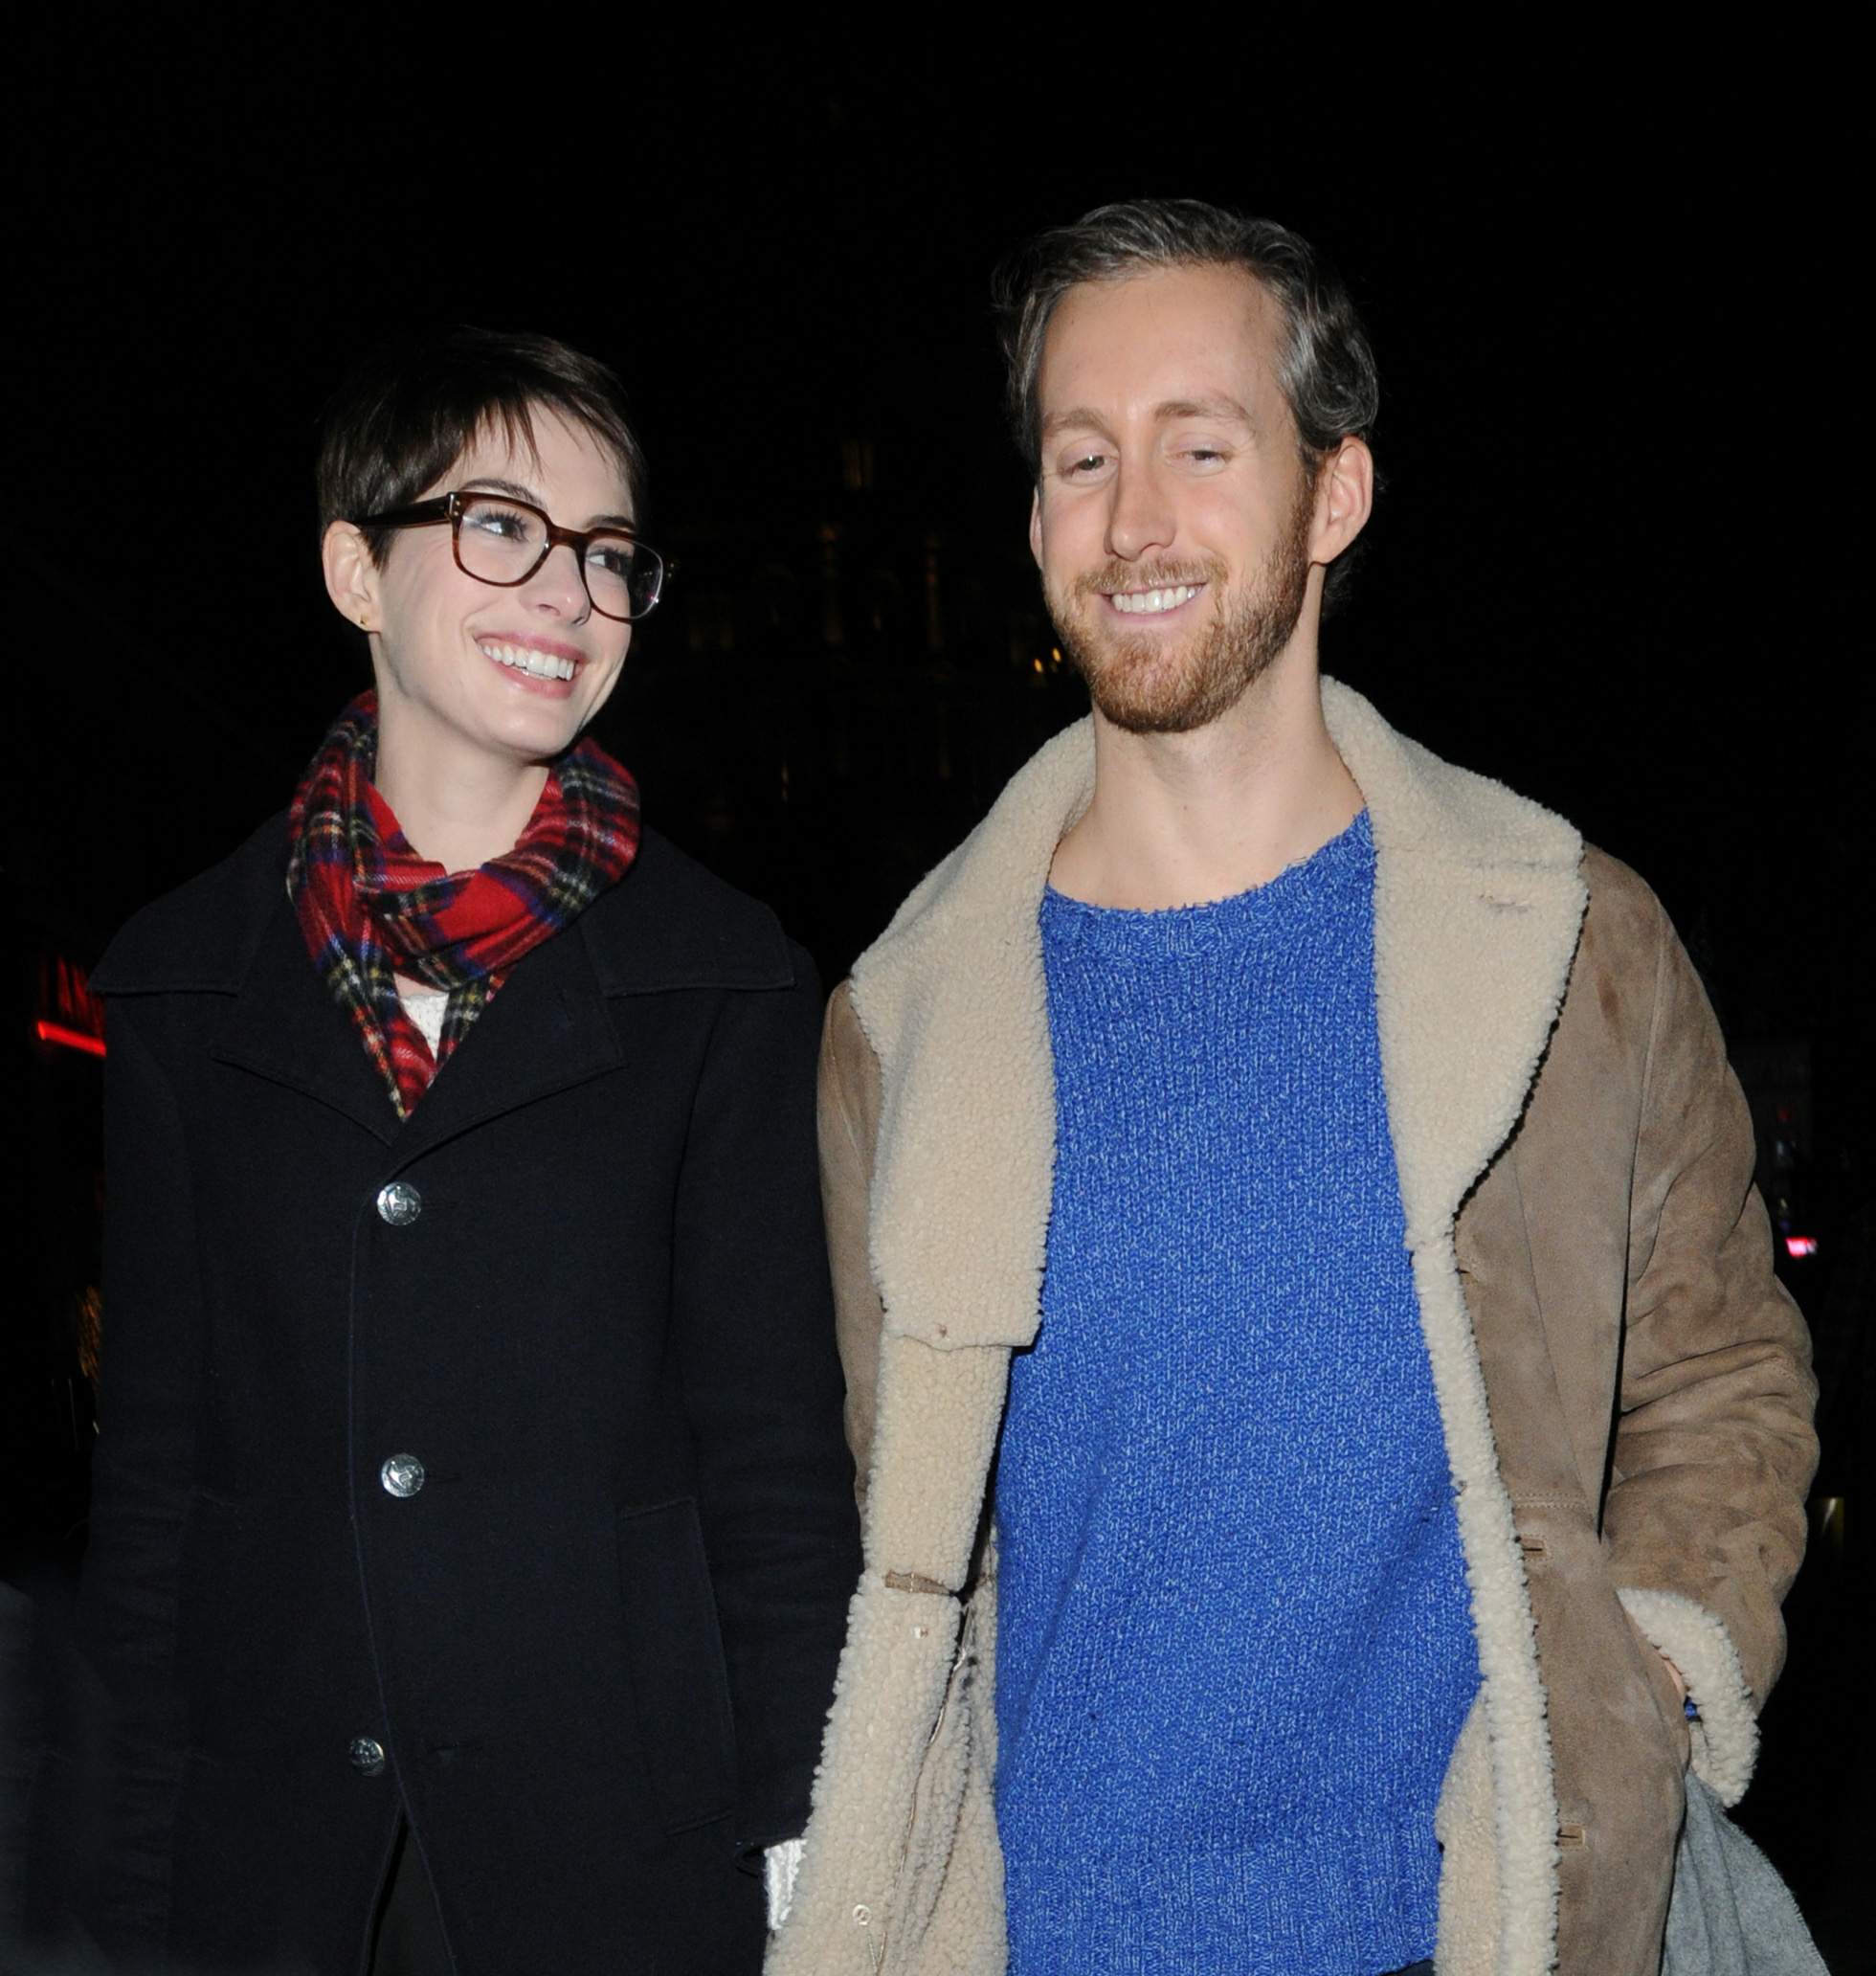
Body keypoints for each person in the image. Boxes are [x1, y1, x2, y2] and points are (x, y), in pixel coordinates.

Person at [769, 203, 1819, 1976]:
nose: (1134, 520)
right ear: (1035, 517)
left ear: (1335, 492)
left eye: (1201, 446)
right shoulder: (905, 1023)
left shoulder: (1572, 948)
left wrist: (1645, 1682)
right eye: (1083, 458)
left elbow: (1721, 1377)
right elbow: (905, 1524)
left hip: (1473, 1927)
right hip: (1051, 1944)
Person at [67, 327, 860, 1974]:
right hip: (280, 1855)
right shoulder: (182, 981)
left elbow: (775, 1459)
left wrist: (809, 1840)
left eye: (608, 552)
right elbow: (158, 1475)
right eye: (500, 526)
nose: (567, 593)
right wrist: (135, 1879)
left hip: (621, 1850)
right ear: (356, 568)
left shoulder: (721, 979)